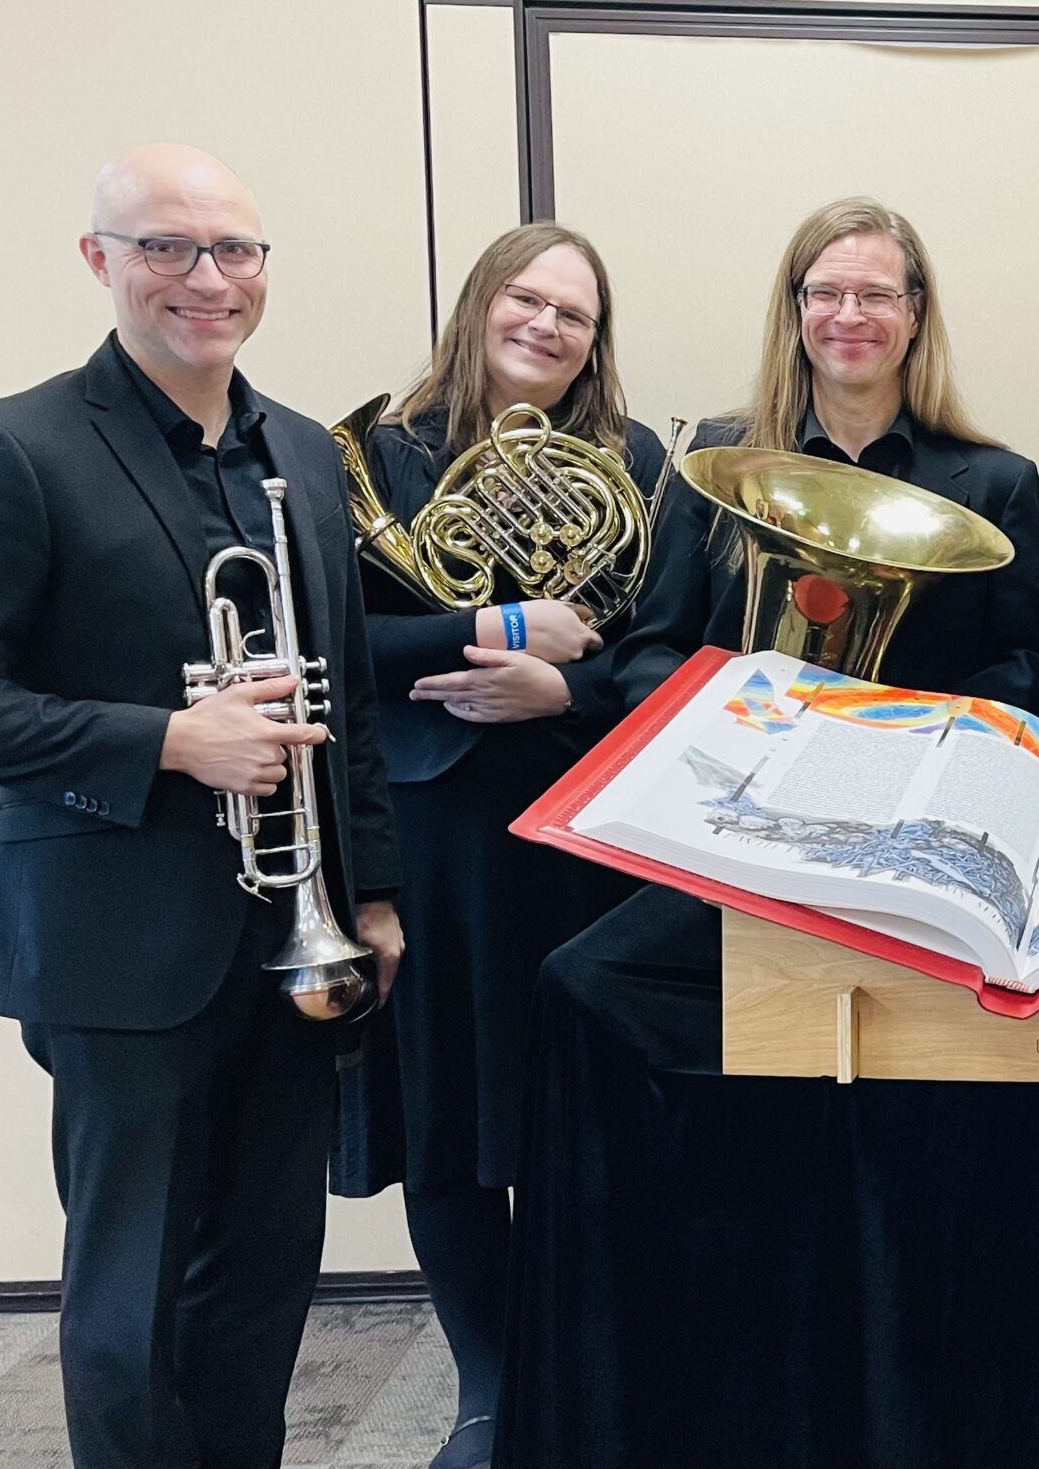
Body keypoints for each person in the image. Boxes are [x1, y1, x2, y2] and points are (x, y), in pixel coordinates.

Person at [0, 143, 403, 1469]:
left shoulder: (305, 455)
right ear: (100, 260)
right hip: (116, 949)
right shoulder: (12, 447)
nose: (205, 277)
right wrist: (167, 738)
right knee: (133, 1291)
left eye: (234, 250)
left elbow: (352, 708)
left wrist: (375, 889)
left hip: (292, 938)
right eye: (167, 246)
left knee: (270, 1274)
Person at [541, 196, 1039, 1029]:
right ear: (796, 310)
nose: (848, 316)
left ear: (916, 315)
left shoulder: (996, 481)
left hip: (907, 840)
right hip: (732, 827)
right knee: (591, 985)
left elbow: (1034, 663)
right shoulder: (720, 459)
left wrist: (910, 732)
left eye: (876, 296)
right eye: (825, 293)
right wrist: (724, 728)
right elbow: (652, 647)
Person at [330, 222, 667, 1469]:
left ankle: (588, 1369)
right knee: (449, 1112)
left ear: (596, 340)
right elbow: (335, 645)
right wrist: (492, 622)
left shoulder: (636, 460)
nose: (545, 326)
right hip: (431, 824)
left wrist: (562, 690)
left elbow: (658, 646)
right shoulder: (372, 450)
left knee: (575, 1108)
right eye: (527, 299)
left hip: (582, 818)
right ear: (481, 301)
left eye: (573, 314)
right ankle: (488, 1387)